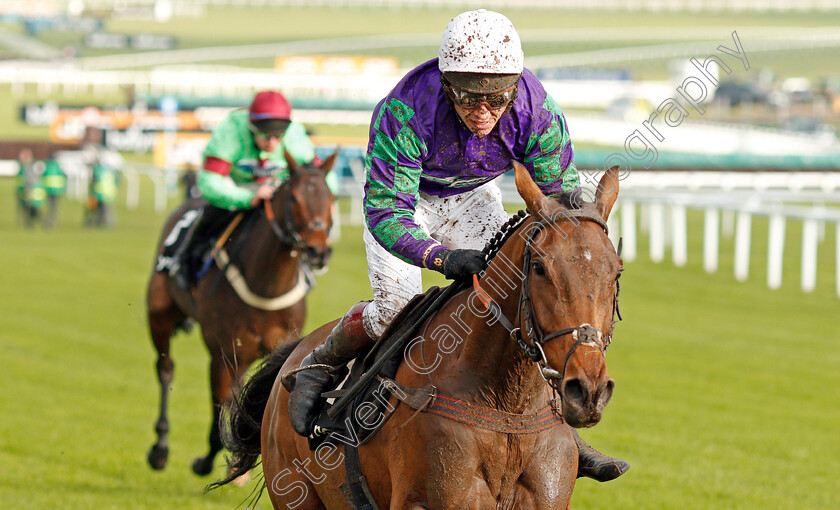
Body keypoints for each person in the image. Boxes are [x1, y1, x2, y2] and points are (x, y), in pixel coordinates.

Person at [287, 9, 629, 482]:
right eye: (469, 96)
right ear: (447, 84)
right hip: (406, 204)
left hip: (470, 198)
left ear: (514, 88)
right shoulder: (405, 109)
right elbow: (387, 213)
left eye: (497, 98)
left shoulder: (535, 109)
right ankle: (321, 363)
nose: (483, 112)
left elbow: (559, 195)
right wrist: (440, 258)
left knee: (522, 297)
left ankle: (561, 428)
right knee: (397, 306)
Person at [168, 90, 337, 289]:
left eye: (278, 136)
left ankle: (305, 268)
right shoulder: (230, 131)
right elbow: (209, 183)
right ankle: (184, 263)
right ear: (251, 127)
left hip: (276, 191)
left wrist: (327, 202)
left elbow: (322, 178)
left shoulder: (294, 135)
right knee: (208, 219)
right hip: (234, 188)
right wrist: (248, 198)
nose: (272, 142)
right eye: (266, 135)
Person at [42, 157, 67, 228]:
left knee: (50, 206)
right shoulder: (58, 167)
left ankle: (51, 219)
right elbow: (63, 177)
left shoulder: (47, 166)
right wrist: (62, 189)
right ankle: (54, 218)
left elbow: (43, 177)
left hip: (49, 190)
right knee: (54, 206)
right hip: (57, 190)